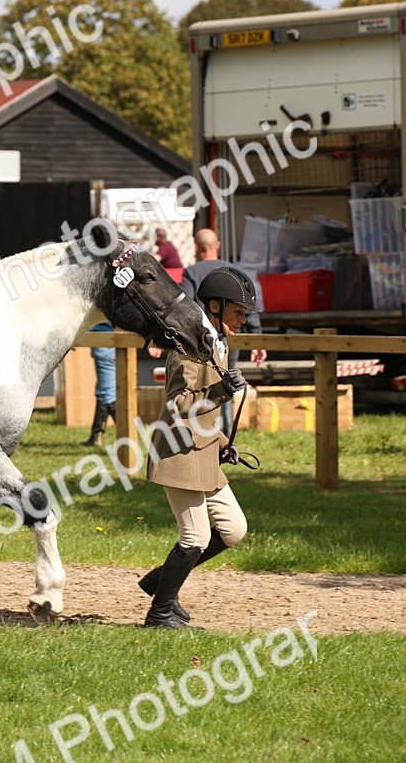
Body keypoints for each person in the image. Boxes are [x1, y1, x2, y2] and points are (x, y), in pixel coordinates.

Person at [140, 267, 256, 629]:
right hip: (179, 454)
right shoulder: (189, 347)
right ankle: (160, 613)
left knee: (233, 529)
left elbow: (204, 415)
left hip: (203, 452)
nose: (242, 321)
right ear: (215, 307)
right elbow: (178, 406)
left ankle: (161, 584)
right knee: (195, 537)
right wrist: (221, 392)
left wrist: (223, 443)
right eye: (238, 313)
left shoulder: (215, 343)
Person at [179, 228, 266, 433]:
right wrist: (258, 340)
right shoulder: (234, 273)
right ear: (217, 245)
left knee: (204, 385)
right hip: (227, 340)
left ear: (196, 248)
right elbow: (250, 313)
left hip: (199, 341)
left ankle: (214, 434)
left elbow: (185, 307)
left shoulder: (191, 272)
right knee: (228, 381)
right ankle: (226, 433)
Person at [79, 322, 116, 446]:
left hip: (104, 343)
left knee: (108, 395)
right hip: (107, 342)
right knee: (103, 391)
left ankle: (130, 435)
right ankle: (94, 438)